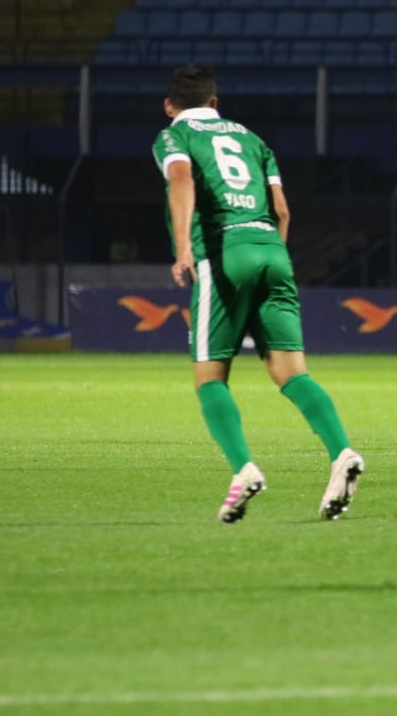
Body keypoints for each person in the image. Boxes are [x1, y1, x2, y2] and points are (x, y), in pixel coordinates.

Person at [152, 64, 364, 523]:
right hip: (272, 251)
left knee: (210, 377)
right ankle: (341, 452)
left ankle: (243, 469)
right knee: (292, 374)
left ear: (170, 107)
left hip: (224, 254)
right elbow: (282, 210)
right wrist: (272, 260)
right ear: (214, 103)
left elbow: (182, 180)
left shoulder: (172, 137)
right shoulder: (253, 140)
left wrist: (185, 246)